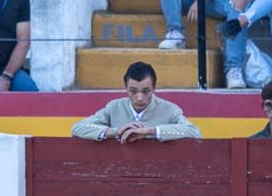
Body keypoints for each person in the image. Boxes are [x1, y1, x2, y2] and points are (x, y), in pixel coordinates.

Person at [71, 61, 202, 142]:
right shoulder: (114, 107)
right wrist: (116, 131)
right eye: (133, 91)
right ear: (126, 88)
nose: (139, 98)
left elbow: (194, 132)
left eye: (146, 91)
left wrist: (150, 131)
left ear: (154, 88)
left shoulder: (169, 110)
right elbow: (77, 128)